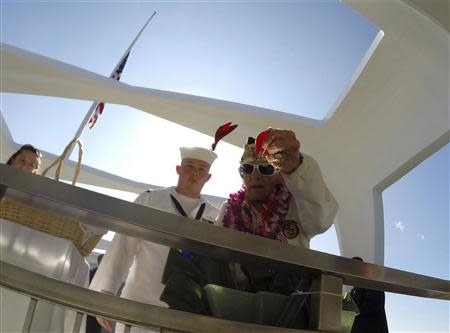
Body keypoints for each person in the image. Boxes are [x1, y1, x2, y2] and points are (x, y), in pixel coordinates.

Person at [213, 129, 338, 328]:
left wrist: (296, 167)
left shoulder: (296, 205)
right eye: (247, 169)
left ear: (279, 175)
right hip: (235, 311)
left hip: (287, 313)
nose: (255, 176)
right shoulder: (228, 210)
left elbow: (322, 217)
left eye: (265, 169)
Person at [89, 147, 219, 333]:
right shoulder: (150, 199)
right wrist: (106, 291)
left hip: (185, 313)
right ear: (178, 169)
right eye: (189, 166)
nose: (195, 173)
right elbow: (123, 245)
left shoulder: (214, 215)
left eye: (201, 169)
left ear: (208, 177)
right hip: (139, 305)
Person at [350, 257, 389, 333]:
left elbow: (374, 304)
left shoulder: (372, 282)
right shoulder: (353, 290)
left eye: (353, 267)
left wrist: (352, 311)